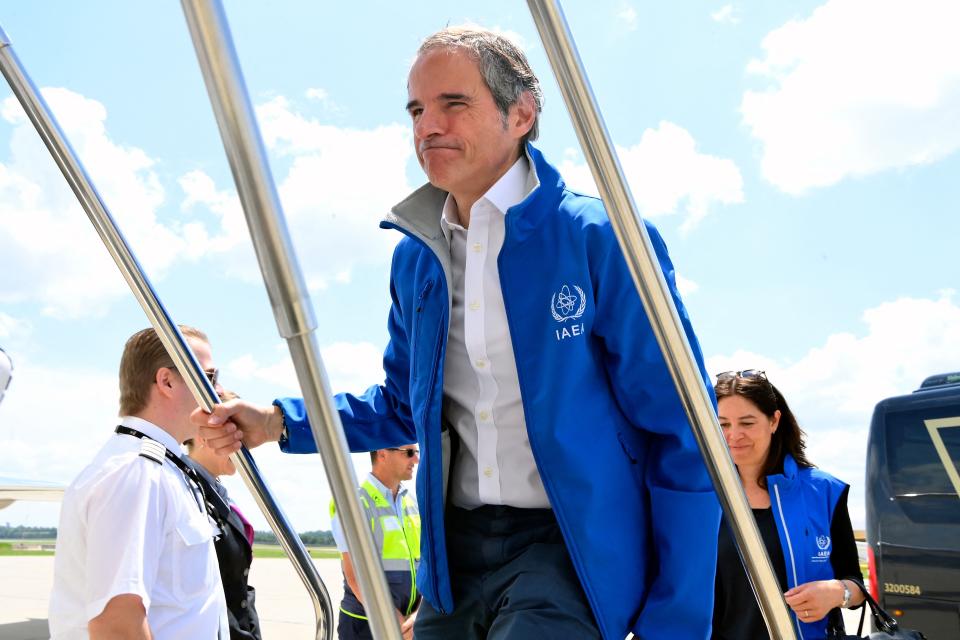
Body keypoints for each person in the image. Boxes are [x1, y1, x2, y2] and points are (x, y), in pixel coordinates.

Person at [196, 26, 719, 640]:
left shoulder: (601, 240)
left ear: (521, 112)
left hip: (569, 552)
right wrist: (278, 421)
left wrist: (674, 624)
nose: (426, 126)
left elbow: (685, 431)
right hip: (454, 556)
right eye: (417, 109)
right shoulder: (417, 258)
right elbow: (401, 405)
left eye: (453, 104)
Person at [49, 326, 229, 640]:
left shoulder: (161, 470)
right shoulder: (136, 473)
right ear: (167, 381)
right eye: (210, 377)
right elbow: (117, 625)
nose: (218, 391)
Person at [712, 369, 865, 639]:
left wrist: (836, 593)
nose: (734, 435)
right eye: (723, 424)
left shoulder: (824, 491)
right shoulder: (697, 496)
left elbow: (856, 588)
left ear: (774, 421)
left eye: (747, 423)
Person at [184, 390, 261, 640]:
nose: (244, 447)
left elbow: (238, 588)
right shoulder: (186, 495)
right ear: (204, 435)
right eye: (235, 435)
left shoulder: (218, 494)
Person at [330, 445, 421, 640]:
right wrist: (396, 623)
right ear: (382, 454)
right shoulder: (354, 502)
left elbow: (426, 566)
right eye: (409, 453)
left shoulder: (412, 502)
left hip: (410, 626)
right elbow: (355, 577)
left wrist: (418, 616)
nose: (416, 460)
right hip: (365, 627)